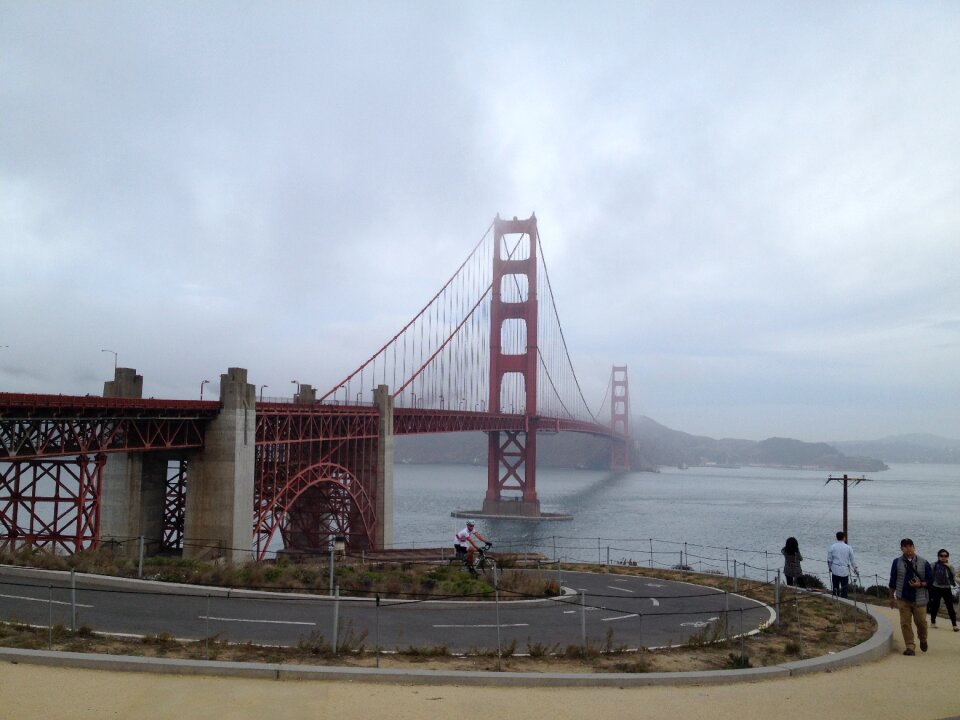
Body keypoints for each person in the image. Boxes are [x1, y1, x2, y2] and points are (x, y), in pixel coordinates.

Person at [888, 538, 933, 655]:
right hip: (903, 598)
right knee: (905, 623)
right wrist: (891, 597)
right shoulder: (896, 562)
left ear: (914, 547)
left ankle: (923, 639)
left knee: (921, 623)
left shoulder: (924, 562)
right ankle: (910, 646)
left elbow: (930, 581)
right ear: (901, 548)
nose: (908, 549)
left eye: (910, 546)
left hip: (920, 598)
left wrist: (920, 584)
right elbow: (892, 580)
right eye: (905, 546)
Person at [928, 548, 958, 632]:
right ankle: (933, 622)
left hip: (947, 588)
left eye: (945, 556)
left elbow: (953, 576)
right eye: (941, 556)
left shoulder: (950, 566)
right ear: (938, 556)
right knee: (935, 605)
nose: (943, 557)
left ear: (947, 557)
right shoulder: (933, 565)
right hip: (936, 587)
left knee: (950, 607)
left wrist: (949, 567)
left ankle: (954, 625)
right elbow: (928, 574)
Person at [827, 531, 858, 598]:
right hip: (844, 571)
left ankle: (835, 599)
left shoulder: (832, 547)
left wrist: (830, 567)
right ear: (844, 538)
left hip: (835, 570)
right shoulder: (848, 548)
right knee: (844, 589)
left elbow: (829, 559)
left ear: (837, 538)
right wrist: (855, 569)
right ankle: (844, 599)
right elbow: (852, 560)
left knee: (835, 588)